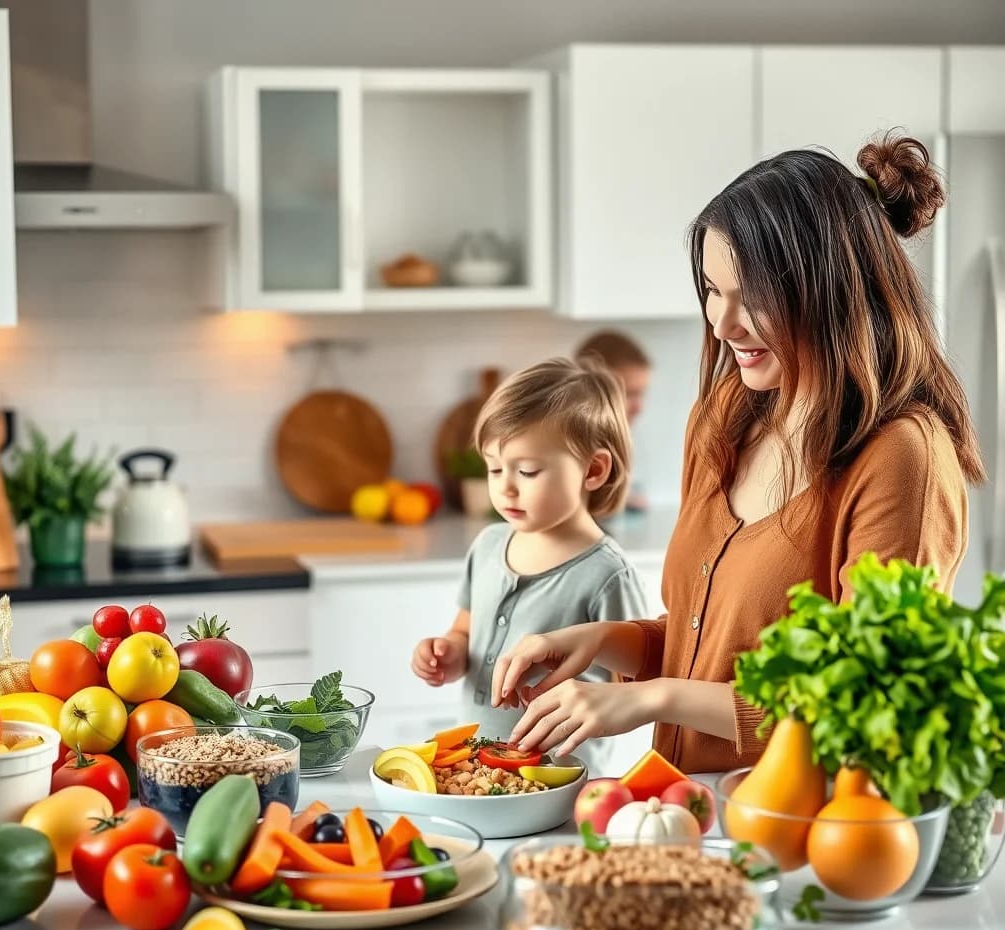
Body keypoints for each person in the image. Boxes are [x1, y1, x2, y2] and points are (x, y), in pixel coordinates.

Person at [491, 132, 985, 775]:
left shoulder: (902, 458)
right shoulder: (723, 419)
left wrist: (652, 699)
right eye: (711, 289)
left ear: (831, 289)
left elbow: (865, 706)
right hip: (688, 808)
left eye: (751, 294)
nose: (722, 324)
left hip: (808, 822)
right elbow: (708, 642)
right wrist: (600, 641)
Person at [410, 357, 648, 775]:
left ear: (593, 470)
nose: (505, 487)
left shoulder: (608, 575)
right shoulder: (488, 546)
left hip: (562, 776)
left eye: (527, 471)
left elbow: (632, 686)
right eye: (494, 468)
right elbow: (465, 631)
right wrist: (448, 654)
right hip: (476, 769)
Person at [575, 331, 653, 512]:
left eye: (641, 393)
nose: (639, 408)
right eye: (628, 394)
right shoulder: (571, 450)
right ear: (591, 390)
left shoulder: (623, 442)